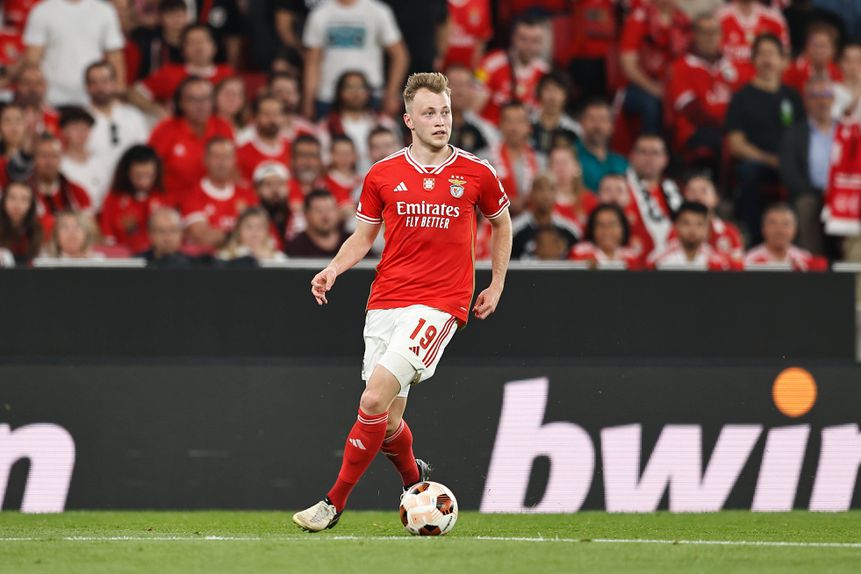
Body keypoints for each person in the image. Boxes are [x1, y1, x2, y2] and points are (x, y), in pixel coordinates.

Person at [292, 72, 512, 532]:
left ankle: (332, 504)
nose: (440, 120)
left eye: (445, 111)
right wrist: (333, 269)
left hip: (440, 303)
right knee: (388, 420)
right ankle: (416, 482)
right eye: (429, 113)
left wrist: (496, 284)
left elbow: (501, 223)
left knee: (372, 397)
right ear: (409, 120)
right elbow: (363, 237)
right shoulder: (383, 173)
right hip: (386, 301)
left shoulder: (477, 172)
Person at [727, 33, 805, 245]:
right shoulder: (742, 97)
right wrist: (769, 159)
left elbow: (803, 137)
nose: (767, 60)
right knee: (747, 172)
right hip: (758, 162)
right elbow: (736, 144)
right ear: (753, 60)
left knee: (804, 175)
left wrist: (788, 160)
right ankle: (754, 237)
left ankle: (797, 239)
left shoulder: (793, 97)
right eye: (761, 54)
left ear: (783, 60)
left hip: (788, 162)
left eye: (772, 54)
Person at [302, 0, 409, 119]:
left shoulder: (378, 11)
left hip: (368, 95)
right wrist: (308, 101)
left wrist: (391, 94)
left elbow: (399, 56)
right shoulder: (320, 13)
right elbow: (312, 62)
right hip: (328, 95)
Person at [665, 14, 740, 171]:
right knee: (721, 141)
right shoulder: (681, 66)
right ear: (694, 35)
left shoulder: (733, 66)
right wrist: (729, 126)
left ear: (721, 35)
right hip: (695, 130)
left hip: (729, 128)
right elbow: (691, 110)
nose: (710, 37)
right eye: (704, 32)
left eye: (714, 32)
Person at [23, 0, 126, 107]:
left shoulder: (104, 11)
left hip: (94, 97)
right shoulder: (42, 11)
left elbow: (115, 57)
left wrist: (118, 94)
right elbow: (32, 61)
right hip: (52, 97)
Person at [148, 76, 234, 200]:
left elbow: (233, 170)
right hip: (173, 204)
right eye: (193, 99)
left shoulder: (223, 127)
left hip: (215, 202)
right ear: (181, 103)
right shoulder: (164, 130)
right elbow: (149, 172)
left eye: (206, 99)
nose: (201, 105)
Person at [779, 75, 836, 256]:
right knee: (805, 204)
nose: (822, 101)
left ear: (833, 100)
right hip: (810, 193)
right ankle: (812, 262)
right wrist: (818, 192)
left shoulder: (847, 130)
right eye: (816, 96)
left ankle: (853, 262)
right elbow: (789, 173)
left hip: (841, 194)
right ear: (806, 101)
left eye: (826, 95)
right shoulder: (794, 133)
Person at [618, 0, 691, 135]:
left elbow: (689, 61)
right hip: (640, 84)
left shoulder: (683, 21)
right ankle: (650, 144)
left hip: (672, 83)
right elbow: (628, 66)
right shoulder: (638, 19)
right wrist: (655, 89)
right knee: (652, 104)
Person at [131, 24, 234, 117]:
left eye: (204, 41)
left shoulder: (227, 73)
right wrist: (157, 110)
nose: (199, 47)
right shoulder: (169, 73)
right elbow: (134, 93)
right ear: (183, 50)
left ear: (214, 47)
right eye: (193, 42)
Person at [181, 137, 258, 250]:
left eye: (227, 157)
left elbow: (259, 232)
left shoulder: (247, 194)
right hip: (208, 259)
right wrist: (243, 234)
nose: (222, 162)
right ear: (205, 159)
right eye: (216, 157)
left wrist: (222, 234)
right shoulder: (192, 196)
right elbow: (203, 237)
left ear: (234, 160)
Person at [319, 71, 401, 174]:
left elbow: (400, 156)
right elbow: (323, 161)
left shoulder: (385, 123)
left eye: (361, 87)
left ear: (368, 92)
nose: (355, 92)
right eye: (349, 87)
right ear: (339, 92)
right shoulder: (326, 125)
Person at [475, 13, 548, 124]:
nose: (529, 46)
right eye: (523, 39)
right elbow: (472, 108)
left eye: (535, 41)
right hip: (489, 129)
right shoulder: (489, 64)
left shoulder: (544, 73)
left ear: (542, 43)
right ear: (513, 38)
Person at [85, 61, 150, 178]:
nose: (100, 88)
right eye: (94, 82)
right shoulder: (81, 121)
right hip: (94, 181)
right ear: (87, 87)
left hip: (128, 183)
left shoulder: (133, 116)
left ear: (114, 83)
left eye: (104, 81)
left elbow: (143, 153)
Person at [100, 144, 169, 253]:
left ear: (157, 172)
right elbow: (108, 238)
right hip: (124, 258)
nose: (144, 182)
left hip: (160, 257)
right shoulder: (113, 199)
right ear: (127, 173)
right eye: (138, 176)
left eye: (149, 175)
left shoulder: (165, 196)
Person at [625, 134, 682, 260]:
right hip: (632, 261)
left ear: (665, 159)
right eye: (643, 152)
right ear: (632, 156)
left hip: (668, 262)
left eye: (655, 153)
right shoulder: (620, 189)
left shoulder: (674, 191)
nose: (649, 158)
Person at [28, 134, 91, 235]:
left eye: (54, 156)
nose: (49, 162)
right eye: (44, 156)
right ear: (34, 159)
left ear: (61, 159)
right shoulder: (24, 193)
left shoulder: (77, 193)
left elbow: (91, 232)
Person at [488, 101, 543, 215]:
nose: (514, 127)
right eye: (509, 121)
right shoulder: (485, 159)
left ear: (528, 127)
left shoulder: (540, 161)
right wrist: (508, 202)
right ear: (500, 124)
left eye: (519, 121)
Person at [648, 201, 735, 270]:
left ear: (707, 228)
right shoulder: (658, 261)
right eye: (686, 223)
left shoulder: (716, 262)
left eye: (699, 224)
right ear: (676, 226)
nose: (692, 230)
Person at [718, 0, 789, 84]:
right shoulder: (720, 18)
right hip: (729, 85)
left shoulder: (774, 19)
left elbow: (785, 58)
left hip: (765, 86)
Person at [510, 174, 580, 259]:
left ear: (556, 194)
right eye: (540, 188)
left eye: (551, 189)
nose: (546, 195)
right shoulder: (514, 230)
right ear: (531, 193)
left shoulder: (571, 231)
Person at [744, 202, 828, 270]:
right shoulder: (750, 260)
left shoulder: (804, 259)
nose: (780, 230)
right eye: (773, 223)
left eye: (786, 224)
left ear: (795, 230)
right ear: (763, 229)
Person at [58, 106, 112, 210]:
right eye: (75, 128)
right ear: (64, 131)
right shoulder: (60, 165)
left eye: (85, 128)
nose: (81, 133)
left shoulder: (101, 161)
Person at [682, 175, 744, 264]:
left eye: (704, 191)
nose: (697, 196)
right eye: (692, 191)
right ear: (685, 198)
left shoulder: (730, 233)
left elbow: (738, 267)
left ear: (716, 198)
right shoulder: (675, 232)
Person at [575, 99, 628, 192]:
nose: (597, 126)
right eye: (592, 119)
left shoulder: (622, 163)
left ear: (612, 126)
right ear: (581, 123)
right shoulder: (571, 156)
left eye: (603, 119)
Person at [237, 93, 291, 183]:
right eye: (266, 114)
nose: (272, 119)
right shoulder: (242, 150)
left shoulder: (291, 147)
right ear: (256, 117)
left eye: (276, 114)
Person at [446, 64, 498, 156]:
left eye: (464, 85)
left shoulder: (483, 130)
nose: (459, 91)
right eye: (454, 84)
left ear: (472, 90)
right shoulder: (431, 124)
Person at [569, 203, 641, 269]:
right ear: (592, 229)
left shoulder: (631, 257)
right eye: (601, 225)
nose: (607, 230)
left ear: (623, 228)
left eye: (612, 224)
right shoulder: (580, 253)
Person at [129, 0, 187, 80]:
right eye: (170, 16)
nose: (176, 21)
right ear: (160, 18)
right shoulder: (150, 41)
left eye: (179, 16)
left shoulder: (191, 42)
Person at [284, 190, 349, 258]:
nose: (325, 216)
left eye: (330, 209)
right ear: (306, 214)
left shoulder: (351, 241)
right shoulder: (296, 246)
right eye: (319, 210)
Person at [531, 71, 580, 156]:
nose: (552, 97)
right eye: (548, 89)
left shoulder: (574, 130)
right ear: (539, 93)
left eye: (558, 90)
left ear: (566, 95)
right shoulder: (527, 123)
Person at [548, 145, 597, 230]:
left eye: (564, 162)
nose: (560, 168)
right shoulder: (540, 199)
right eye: (555, 163)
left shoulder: (590, 200)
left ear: (576, 167)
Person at [783, 23, 842, 93]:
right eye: (815, 45)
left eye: (823, 46)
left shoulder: (837, 73)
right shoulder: (792, 72)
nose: (819, 51)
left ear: (833, 50)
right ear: (806, 47)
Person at [218, 206, 287, 264]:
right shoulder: (225, 257)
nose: (255, 232)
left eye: (260, 227)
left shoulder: (279, 258)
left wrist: (268, 260)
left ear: (267, 231)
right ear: (238, 230)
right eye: (249, 226)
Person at [0, 179, 42, 265]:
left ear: (31, 204)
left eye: (24, 199)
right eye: (12, 197)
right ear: (3, 201)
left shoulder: (38, 231)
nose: (17, 204)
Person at [443, 0, 492, 70]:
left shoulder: (481, 2)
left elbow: (482, 39)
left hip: (469, 70)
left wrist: (474, 68)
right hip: (441, 70)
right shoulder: (437, 3)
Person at [253, 161, 291, 250]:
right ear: (257, 190)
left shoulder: (297, 218)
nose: (275, 190)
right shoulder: (250, 219)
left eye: (279, 184)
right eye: (268, 184)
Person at [13, 63, 59, 136]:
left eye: (38, 83)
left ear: (45, 87)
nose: (32, 88)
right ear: (18, 85)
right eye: (26, 83)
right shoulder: (4, 114)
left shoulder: (55, 118)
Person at [0, 102, 36, 185]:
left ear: (25, 125)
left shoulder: (36, 159)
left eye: (18, 120)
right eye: (7, 121)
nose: (14, 127)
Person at [325, 135, 361, 213]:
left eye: (347, 153)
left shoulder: (361, 182)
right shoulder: (324, 182)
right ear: (332, 155)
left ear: (354, 155)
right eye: (339, 153)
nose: (344, 157)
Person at [833, 43, 861, 120]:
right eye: (848, 61)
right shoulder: (833, 90)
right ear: (840, 63)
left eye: (858, 60)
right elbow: (836, 120)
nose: (853, 65)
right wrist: (857, 92)